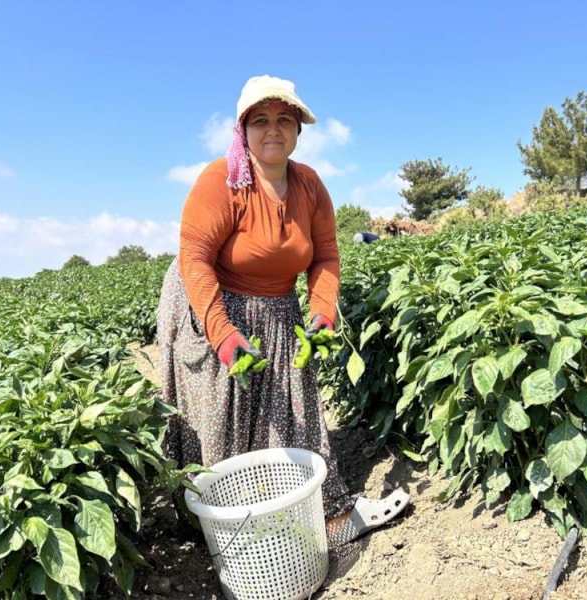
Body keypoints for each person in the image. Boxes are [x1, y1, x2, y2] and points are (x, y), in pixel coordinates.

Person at [157, 74, 408, 546]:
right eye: (261, 120)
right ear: (242, 130)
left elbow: (325, 256)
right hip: (212, 299)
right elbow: (194, 259)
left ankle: (327, 518)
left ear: (298, 130)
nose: (273, 129)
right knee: (224, 412)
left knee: (294, 407)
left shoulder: (309, 184)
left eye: (284, 120)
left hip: (278, 305)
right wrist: (223, 334)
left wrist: (322, 312)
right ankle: (232, 530)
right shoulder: (221, 180)